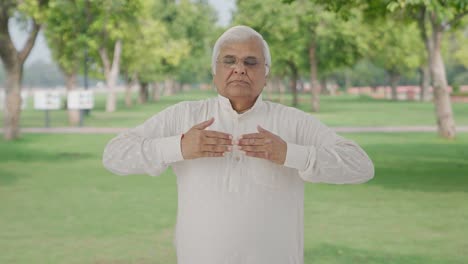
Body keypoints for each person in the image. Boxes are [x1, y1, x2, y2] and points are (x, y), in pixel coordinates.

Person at [102, 25, 374, 264]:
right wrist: (179, 147)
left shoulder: (293, 123)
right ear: (215, 72)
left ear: (266, 74)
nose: (239, 69)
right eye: (229, 60)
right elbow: (114, 155)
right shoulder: (184, 116)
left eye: (251, 62)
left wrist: (291, 154)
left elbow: (361, 165)